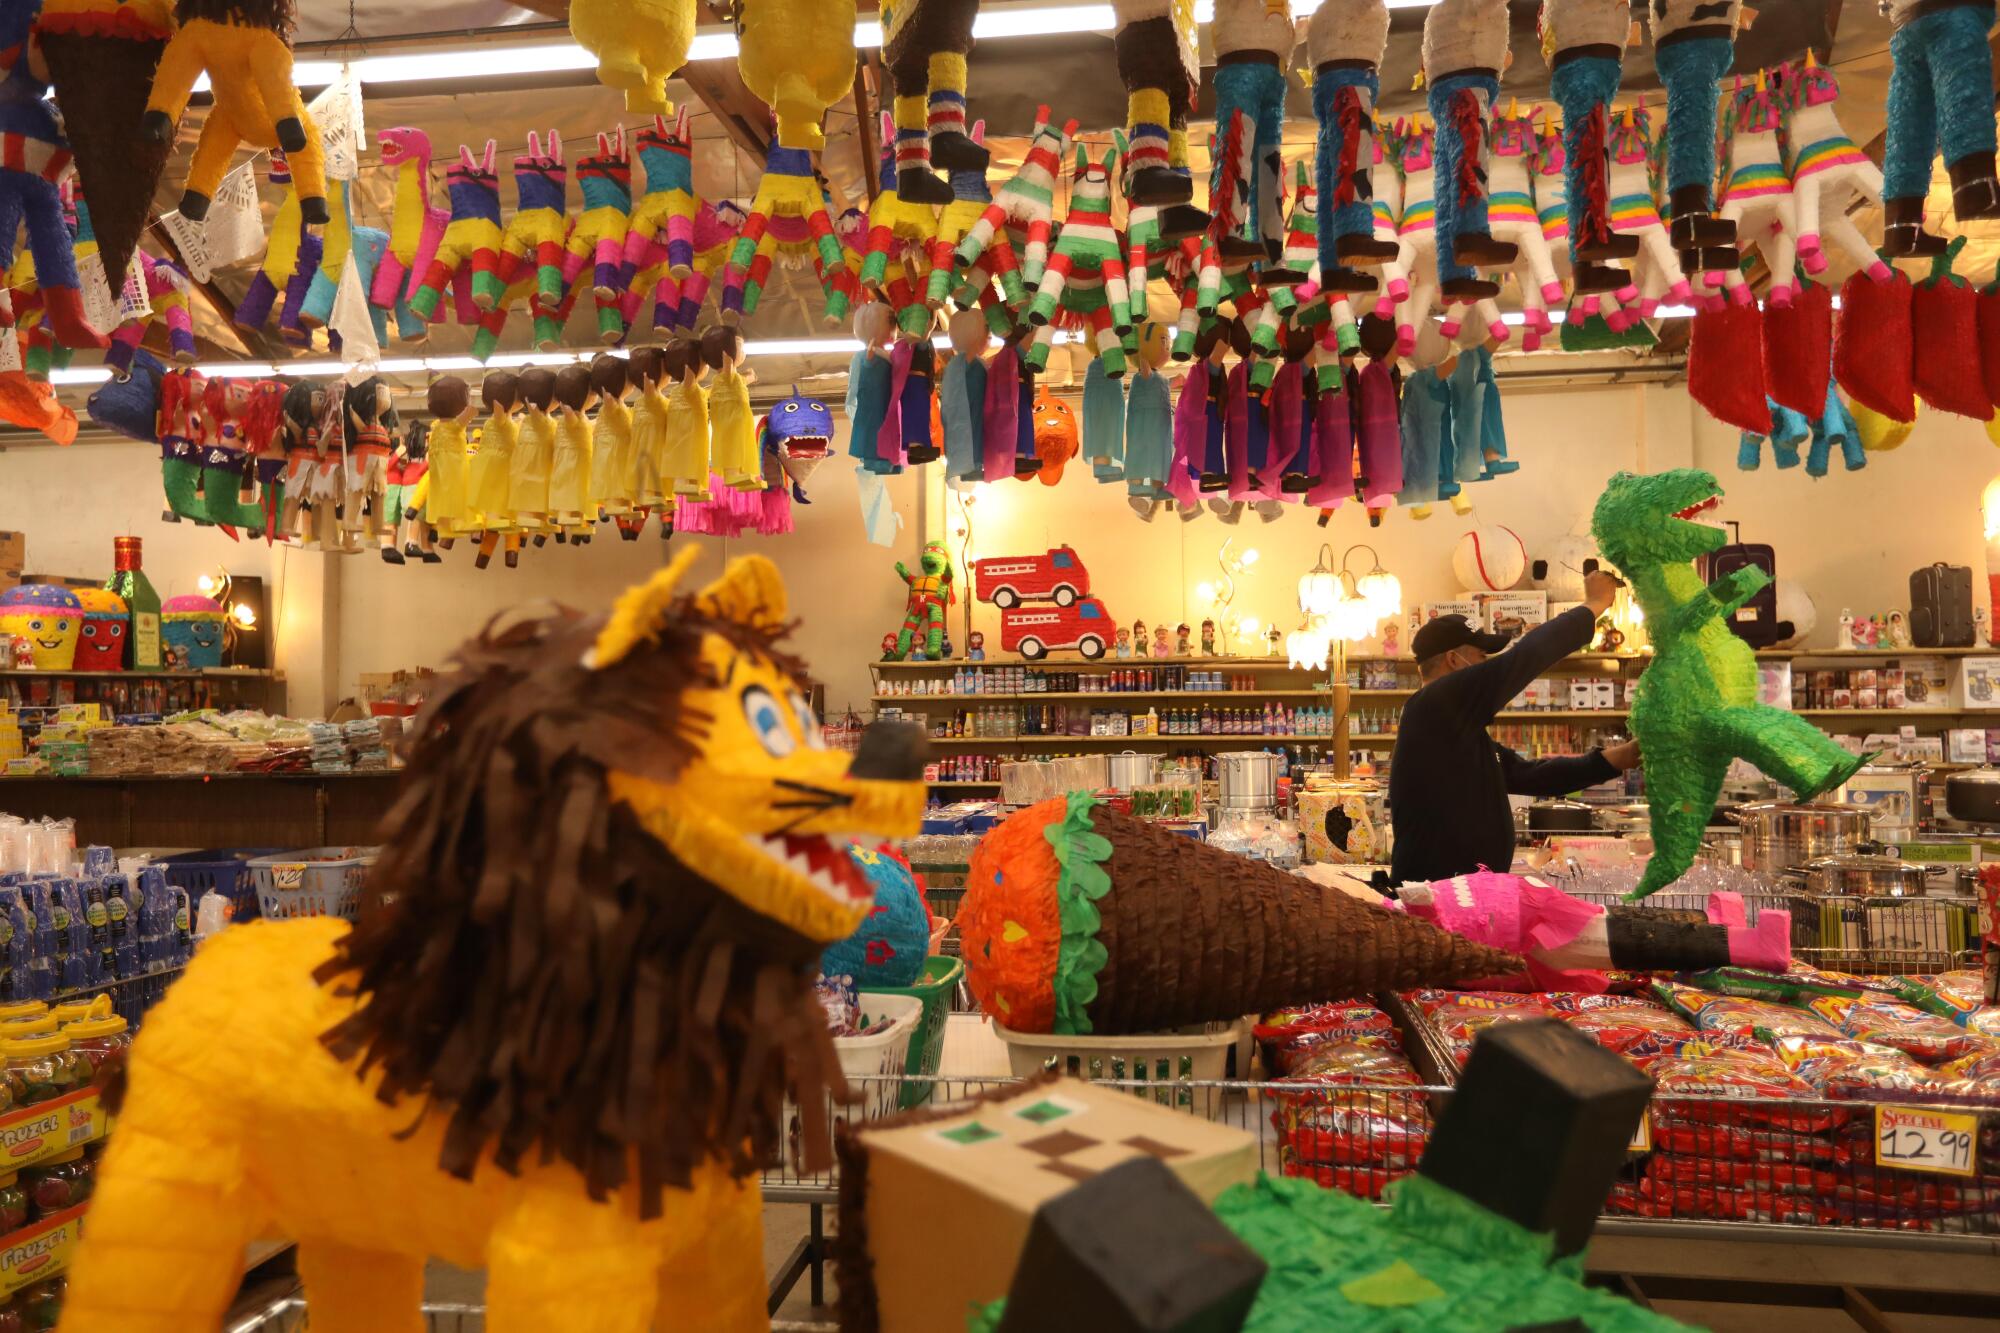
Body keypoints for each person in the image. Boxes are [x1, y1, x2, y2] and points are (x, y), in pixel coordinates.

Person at [1389, 571, 1640, 884]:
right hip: (1436, 900)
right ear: (1454, 661)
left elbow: (1531, 775)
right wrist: (1593, 605)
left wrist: (1622, 757)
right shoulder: (1434, 704)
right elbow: (1526, 657)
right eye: (1481, 656)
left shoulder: (1458, 730)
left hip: (1465, 897)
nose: (1487, 665)